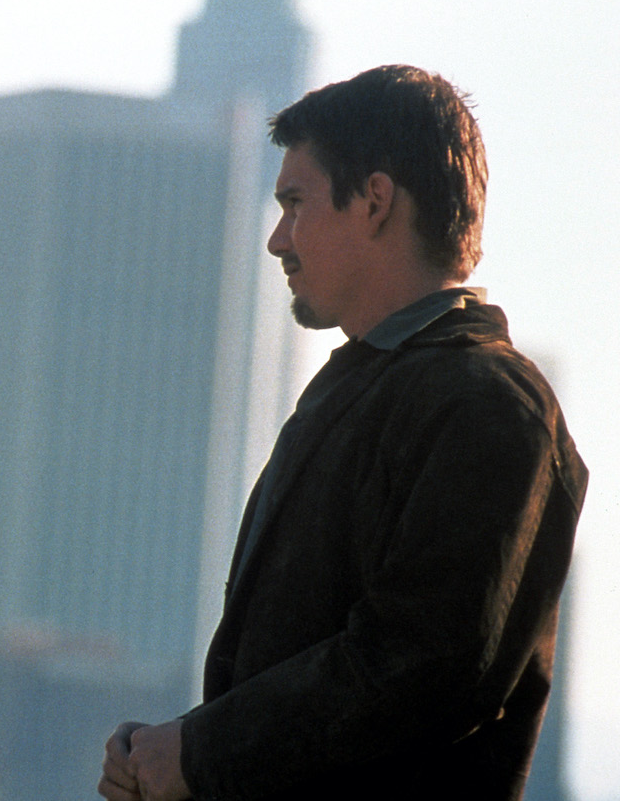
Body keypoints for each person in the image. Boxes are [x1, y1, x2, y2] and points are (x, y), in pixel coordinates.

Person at [98, 65, 587, 801]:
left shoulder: (488, 405)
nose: (277, 240)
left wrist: (200, 752)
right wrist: (174, 756)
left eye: (295, 203)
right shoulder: (373, 389)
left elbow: (424, 668)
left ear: (375, 201)